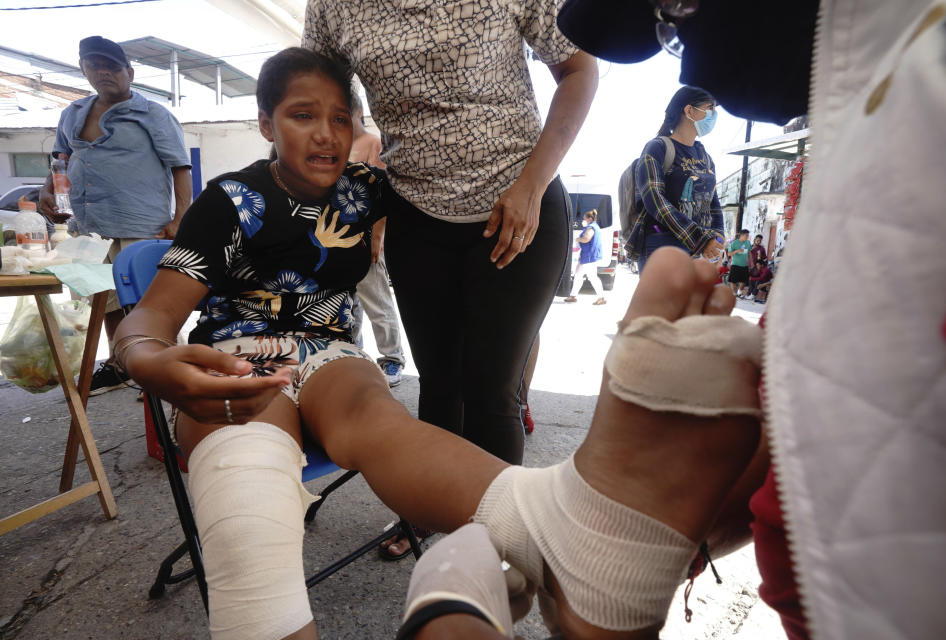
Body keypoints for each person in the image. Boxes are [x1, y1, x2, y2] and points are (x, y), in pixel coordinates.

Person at [114, 48, 765, 640]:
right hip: (239, 359)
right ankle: (548, 536)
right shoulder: (232, 201)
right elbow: (148, 321)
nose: (325, 134)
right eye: (302, 115)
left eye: (341, 119)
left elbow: (423, 172)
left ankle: (564, 536)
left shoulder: (362, 190)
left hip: (332, 358)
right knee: (248, 462)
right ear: (264, 124)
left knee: (379, 416)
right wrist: (147, 360)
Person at [558, 1, 946, 639]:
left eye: (679, 7)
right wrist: (639, 536)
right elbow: (801, 418)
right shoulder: (874, 131)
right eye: (668, 28)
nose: (693, 60)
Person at [303, 0, 598, 558]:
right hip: (415, 210)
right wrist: (357, 161)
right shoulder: (334, 6)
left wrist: (533, 185)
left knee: (491, 390)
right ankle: (428, 514)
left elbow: (580, 66)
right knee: (439, 387)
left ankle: (499, 545)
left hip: (517, 206)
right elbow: (322, 90)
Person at [38, 35, 192, 396]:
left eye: (112, 67)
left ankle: (166, 367)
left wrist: (181, 216)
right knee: (103, 300)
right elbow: (60, 159)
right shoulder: (73, 113)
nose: (104, 73)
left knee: (148, 302)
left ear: (130, 72)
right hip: (88, 227)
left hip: (140, 225)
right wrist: (48, 188)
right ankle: (121, 363)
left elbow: (180, 167)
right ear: (84, 70)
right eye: (95, 66)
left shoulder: (154, 115)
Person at [621, 85, 725, 270]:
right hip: (663, 245)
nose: (714, 114)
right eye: (710, 108)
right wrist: (700, 239)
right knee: (661, 300)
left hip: (698, 250)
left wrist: (717, 238)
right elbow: (655, 202)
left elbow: (713, 203)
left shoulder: (704, 156)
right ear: (689, 110)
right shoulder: (657, 148)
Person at [348, 89, 406, 387]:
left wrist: (377, 237)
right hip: (340, 240)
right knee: (348, 301)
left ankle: (392, 358)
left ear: (358, 112)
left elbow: (383, 194)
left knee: (376, 300)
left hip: (368, 238)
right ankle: (351, 352)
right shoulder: (338, 145)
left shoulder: (372, 143)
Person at [564, 208, 606, 304]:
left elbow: (586, 238)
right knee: (578, 275)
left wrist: (578, 239)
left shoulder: (591, 227)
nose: (584, 221)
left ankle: (601, 298)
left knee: (592, 277)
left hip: (589, 257)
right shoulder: (595, 226)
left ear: (590, 219)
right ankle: (573, 296)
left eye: (585, 219)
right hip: (588, 256)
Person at [726, 229, 751, 297]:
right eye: (746, 235)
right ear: (741, 235)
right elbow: (729, 254)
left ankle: (739, 292)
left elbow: (749, 253)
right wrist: (736, 251)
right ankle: (733, 293)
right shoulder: (734, 243)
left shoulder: (748, 243)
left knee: (744, 280)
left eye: (748, 235)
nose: (747, 237)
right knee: (733, 280)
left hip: (744, 265)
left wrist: (752, 263)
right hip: (735, 264)